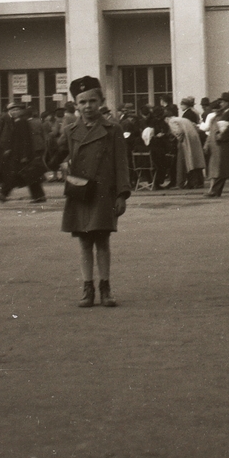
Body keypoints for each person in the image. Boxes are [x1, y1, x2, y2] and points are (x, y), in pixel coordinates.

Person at [47, 76, 130, 307]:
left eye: (92, 101)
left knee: (102, 240)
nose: (87, 106)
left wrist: (122, 194)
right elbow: (54, 158)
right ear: (76, 105)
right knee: (84, 243)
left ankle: (105, 288)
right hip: (80, 193)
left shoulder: (113, 129)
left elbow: (121, 164)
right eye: (82, 102)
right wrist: (51, 140)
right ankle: (87, 288)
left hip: (104, 193)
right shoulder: (70, 130)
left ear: (101, 101)